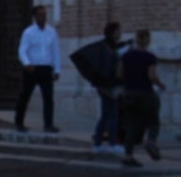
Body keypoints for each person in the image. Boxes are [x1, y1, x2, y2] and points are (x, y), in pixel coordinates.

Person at [70, 22, 124, 155]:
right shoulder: (105, 48)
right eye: (118, 31)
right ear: (113, 32)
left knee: (106, 115)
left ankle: (99, 143)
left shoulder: (109, 47)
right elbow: (106, 66)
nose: (120, 34)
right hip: (108, 86)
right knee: (112, 115)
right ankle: (111, 143)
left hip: (105, 85)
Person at [118, 28, 168, 166]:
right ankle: (151, 141)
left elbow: (119, 74)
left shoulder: (126, 56)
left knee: (131, 126)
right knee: (153, 121)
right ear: (148, 40)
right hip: (145, 93)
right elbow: (151, 76)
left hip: (129, 94)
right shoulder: (149, 57)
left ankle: (128, 156)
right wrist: (161, 84)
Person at [14, 5, 61, 133]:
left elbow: (55, 51)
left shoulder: (52, 32)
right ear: (34, 17)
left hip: (46, 68)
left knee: (48, 97)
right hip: (32, 69)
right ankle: (19, 122)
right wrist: (27, 63)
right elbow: (22, 50)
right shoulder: (28, 32)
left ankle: (48, 124)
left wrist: (57, 69)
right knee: (25, 96)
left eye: (44, 15)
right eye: (40, 15)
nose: (43, 17)